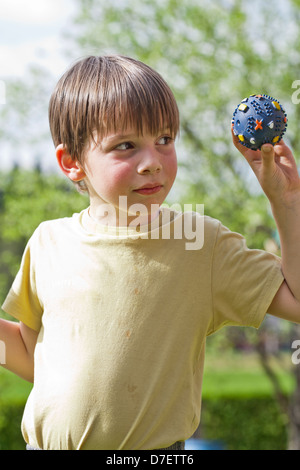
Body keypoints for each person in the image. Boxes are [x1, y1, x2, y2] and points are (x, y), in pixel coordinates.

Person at [0, 55, 299, 451]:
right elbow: (34, 356)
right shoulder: (47, 241)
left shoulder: (197, 238)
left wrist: (286, 201)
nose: (153, 163)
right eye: (126, 145)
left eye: (164, 140)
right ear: (71, 162)